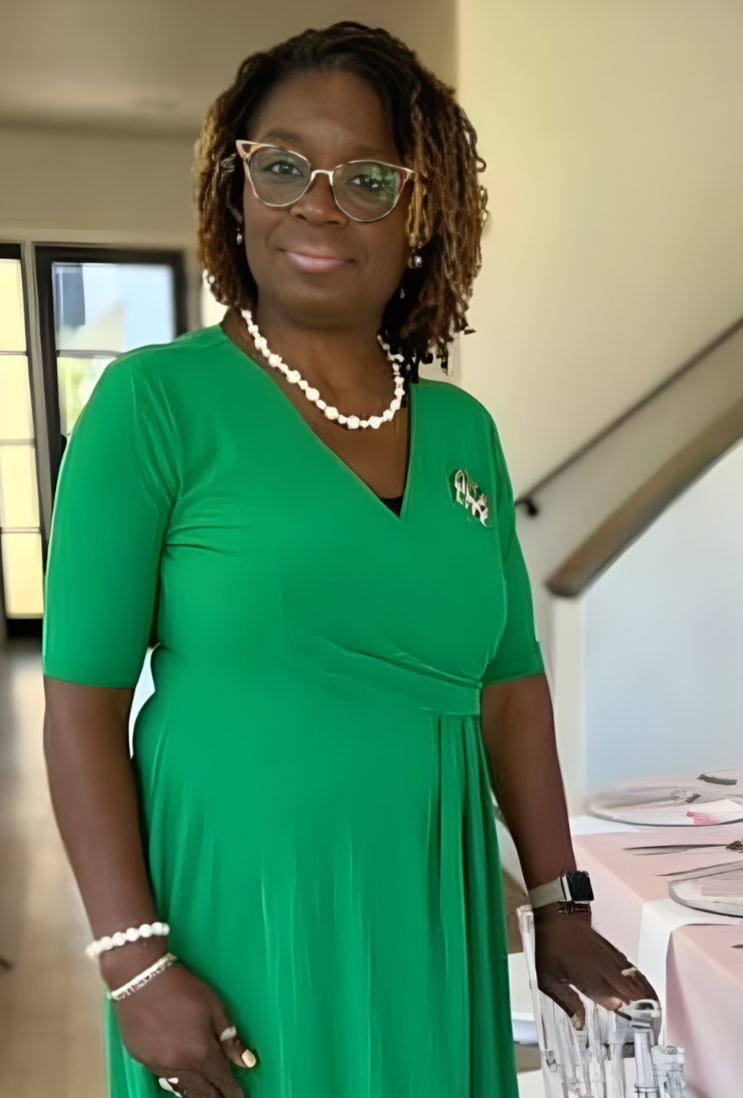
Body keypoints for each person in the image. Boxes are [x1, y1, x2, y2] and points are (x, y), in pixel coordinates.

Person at [41, 22, 654, 1098]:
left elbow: (508, 687)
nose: (316, 203)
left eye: (366, 176)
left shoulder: (462, 432)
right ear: (236, 189)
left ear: (419, 210)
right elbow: (79, 703)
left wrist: (559, 903)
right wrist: (133, 960)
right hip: (238, 910)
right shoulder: (155, 406)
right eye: (281, 166)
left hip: (431, 897)